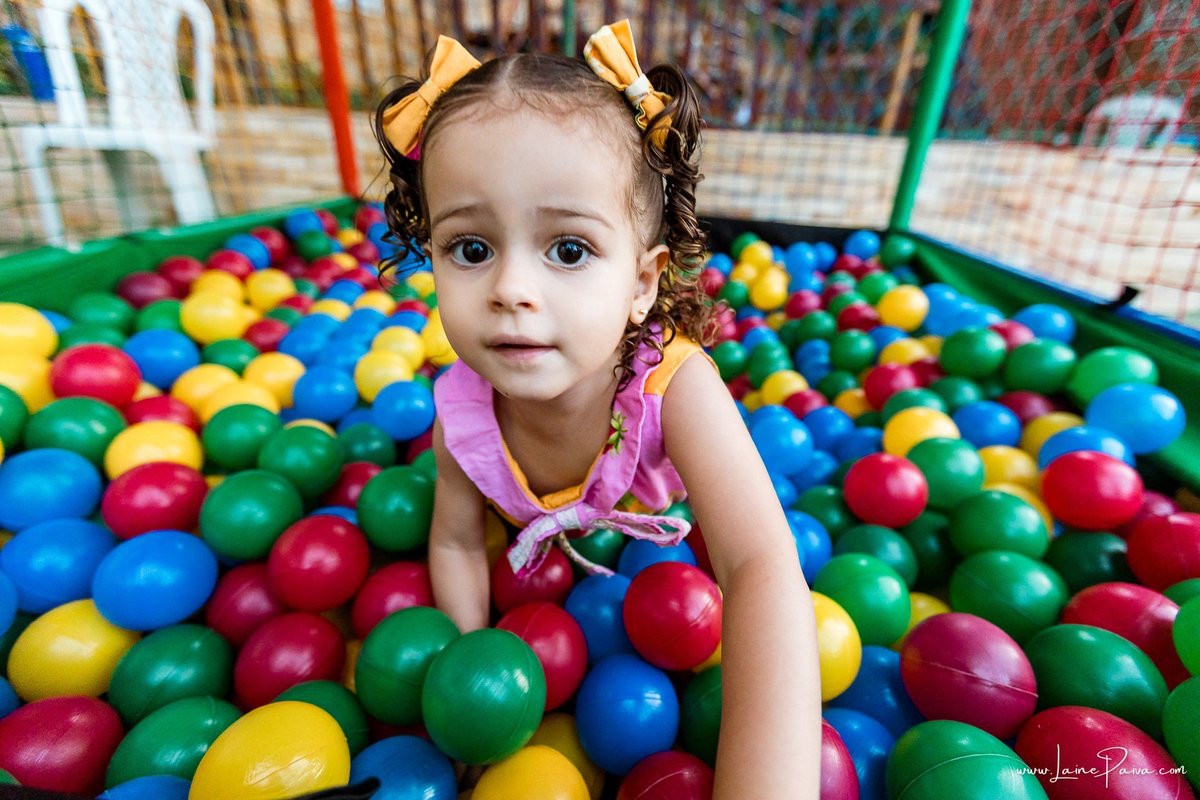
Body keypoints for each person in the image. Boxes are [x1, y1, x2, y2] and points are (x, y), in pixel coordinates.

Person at [372, 19, 821, 798]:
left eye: (569, 250)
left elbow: (760, 566)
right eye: (470, 248)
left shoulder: (675, 387)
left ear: (643, 282)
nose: (512, 289)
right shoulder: (461, 413)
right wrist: (477, 672)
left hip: (655, 558)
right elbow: (454, 543)